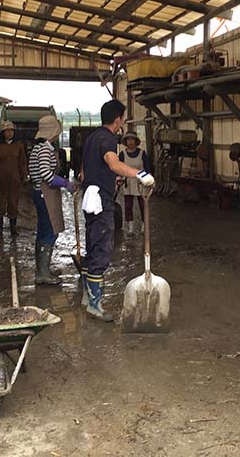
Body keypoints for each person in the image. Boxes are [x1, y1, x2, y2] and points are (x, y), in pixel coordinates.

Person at [80, 100, 154, 321]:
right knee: (102, 249)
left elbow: (85, 173)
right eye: (122, 118)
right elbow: (113, 163)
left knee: (92, 246)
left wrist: (114, 178)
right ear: (117, 119)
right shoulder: (107, 139)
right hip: (100, 200)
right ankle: (95, 305)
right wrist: (140, 174)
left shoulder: (92, 138)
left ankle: (86, 297)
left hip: (89, 197)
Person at [29, 115, 76, 285]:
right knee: (50, 231)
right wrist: (65, 183)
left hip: (40, 192)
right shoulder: (44, 149)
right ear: (52, 132)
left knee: (43, 231)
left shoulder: (39, 147)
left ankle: (42, 269)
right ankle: (42, 273)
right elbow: (46, 175)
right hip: (45, 194)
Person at [0, 121, 27, 238]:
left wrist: (24, 176)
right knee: (0, 204)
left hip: (15, 181)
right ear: (3, 133)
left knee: (13, 204)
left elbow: (22, 162)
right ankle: (0, 230)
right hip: (0, 181)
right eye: (7, 131)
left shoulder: (19, 146)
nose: (9, 133)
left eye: (11, 131)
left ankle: (13, 230)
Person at [118, 131, 150, 235]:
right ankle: (130, 228)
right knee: (128, 205)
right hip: (128, 182)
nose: (130, 142)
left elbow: (147, 168)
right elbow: (119, 168)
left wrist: (148, 181)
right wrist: (119, 179)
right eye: (128, 139)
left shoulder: (142, 153)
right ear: (126, 142)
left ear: (136, 141)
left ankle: (144, 226)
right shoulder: (122, 155)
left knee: (143, 204)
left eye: (132, 139)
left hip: (140, 182)